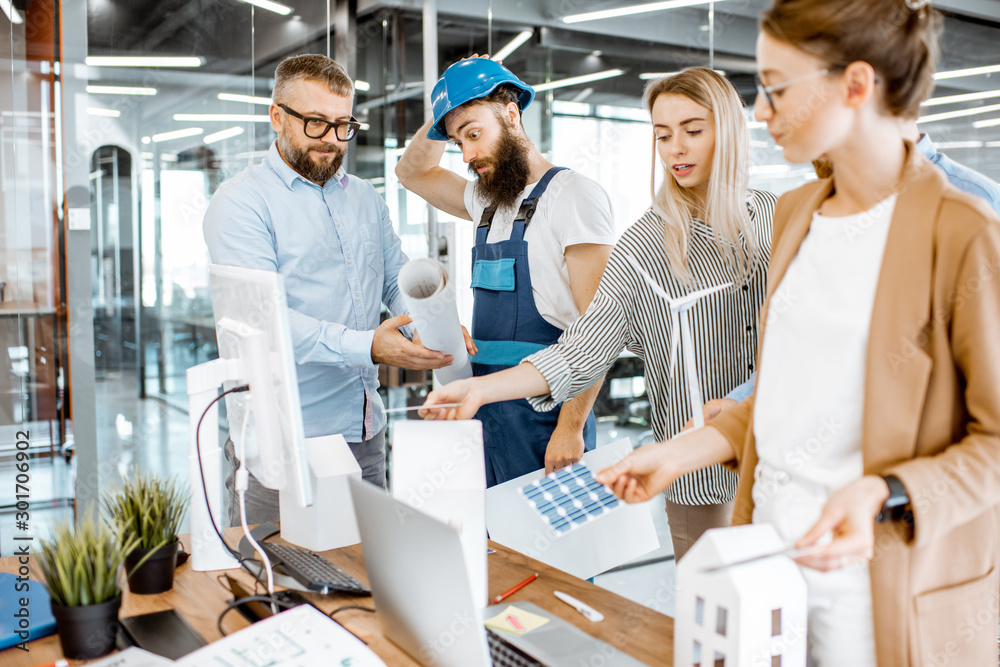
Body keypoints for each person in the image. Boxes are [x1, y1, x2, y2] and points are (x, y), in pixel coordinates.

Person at [596, 1, 1000, 664]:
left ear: (856, 85)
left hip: (877, 595)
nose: (760, 111)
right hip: (767, 574)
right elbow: (790, 397)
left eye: (777, 88)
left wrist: (889, 489)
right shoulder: (795, 215)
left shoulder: (962, 229)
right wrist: (680, 452)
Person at [421, 67, 776, 561]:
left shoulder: (777, 218)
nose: (676, 148)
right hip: (694, 470)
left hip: (788, 459)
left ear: (731, 131)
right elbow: (583, 347)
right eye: (662, 135)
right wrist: (479, 389)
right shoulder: (644, 246)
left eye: (693, 131)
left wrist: (569, 426)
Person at [203, 54, 457, 525]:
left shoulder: (364, 197)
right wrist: (370, 347)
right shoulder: (241, 203)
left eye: (344, 126)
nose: (332, 141)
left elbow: (393, 277)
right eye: (317, 124)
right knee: (271, 587)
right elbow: (266, 321)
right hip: (281, 443)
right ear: (277, 116)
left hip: (364, 437)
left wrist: (428, 323)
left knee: (364, 584)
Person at [396, 57, 616, 485]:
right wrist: (447, 111)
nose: (468, 154)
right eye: (459, 142)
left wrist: (570, 429)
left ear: (511, 113)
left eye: (474, 134)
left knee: (552, 550)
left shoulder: (573, 197)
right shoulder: (486, 201)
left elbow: (599, 332)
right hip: (484, 407)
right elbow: (410, 171)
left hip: (545, 414)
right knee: (497, 545)